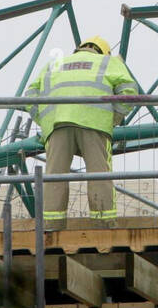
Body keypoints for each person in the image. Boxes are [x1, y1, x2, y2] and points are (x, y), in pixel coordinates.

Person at [26, 36, 138, 230]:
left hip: (58, 125)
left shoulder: (55, 64)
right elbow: (129, 92)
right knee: (99, 175)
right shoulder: (108, 61)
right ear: (103, 51)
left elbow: (30, 96)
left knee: (54, 176)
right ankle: (103, 224)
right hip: (94, 124)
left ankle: (52, 227)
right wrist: (113, 118)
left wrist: (46, 120)